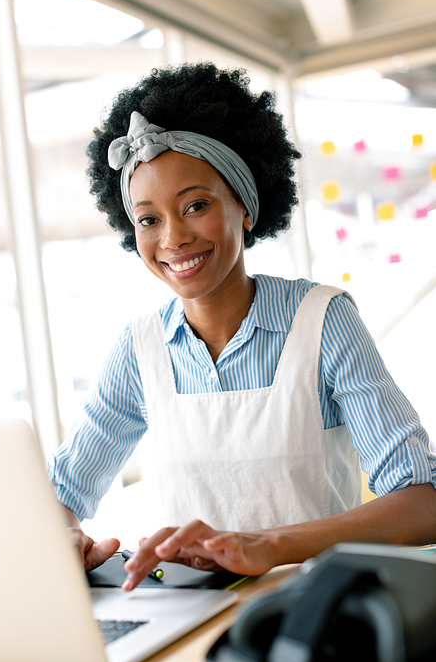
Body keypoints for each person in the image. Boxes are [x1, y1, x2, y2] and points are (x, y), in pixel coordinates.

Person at [47, 63, 436, 592]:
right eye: (149, 219)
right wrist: (59, 535)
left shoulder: (323, 322)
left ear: (245, 206)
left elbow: (422, 501)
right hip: (188, 621)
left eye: (196, 205)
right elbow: (60, 494)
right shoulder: (140, 349)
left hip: (312, 610)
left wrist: (268, 545)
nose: (174, 238)